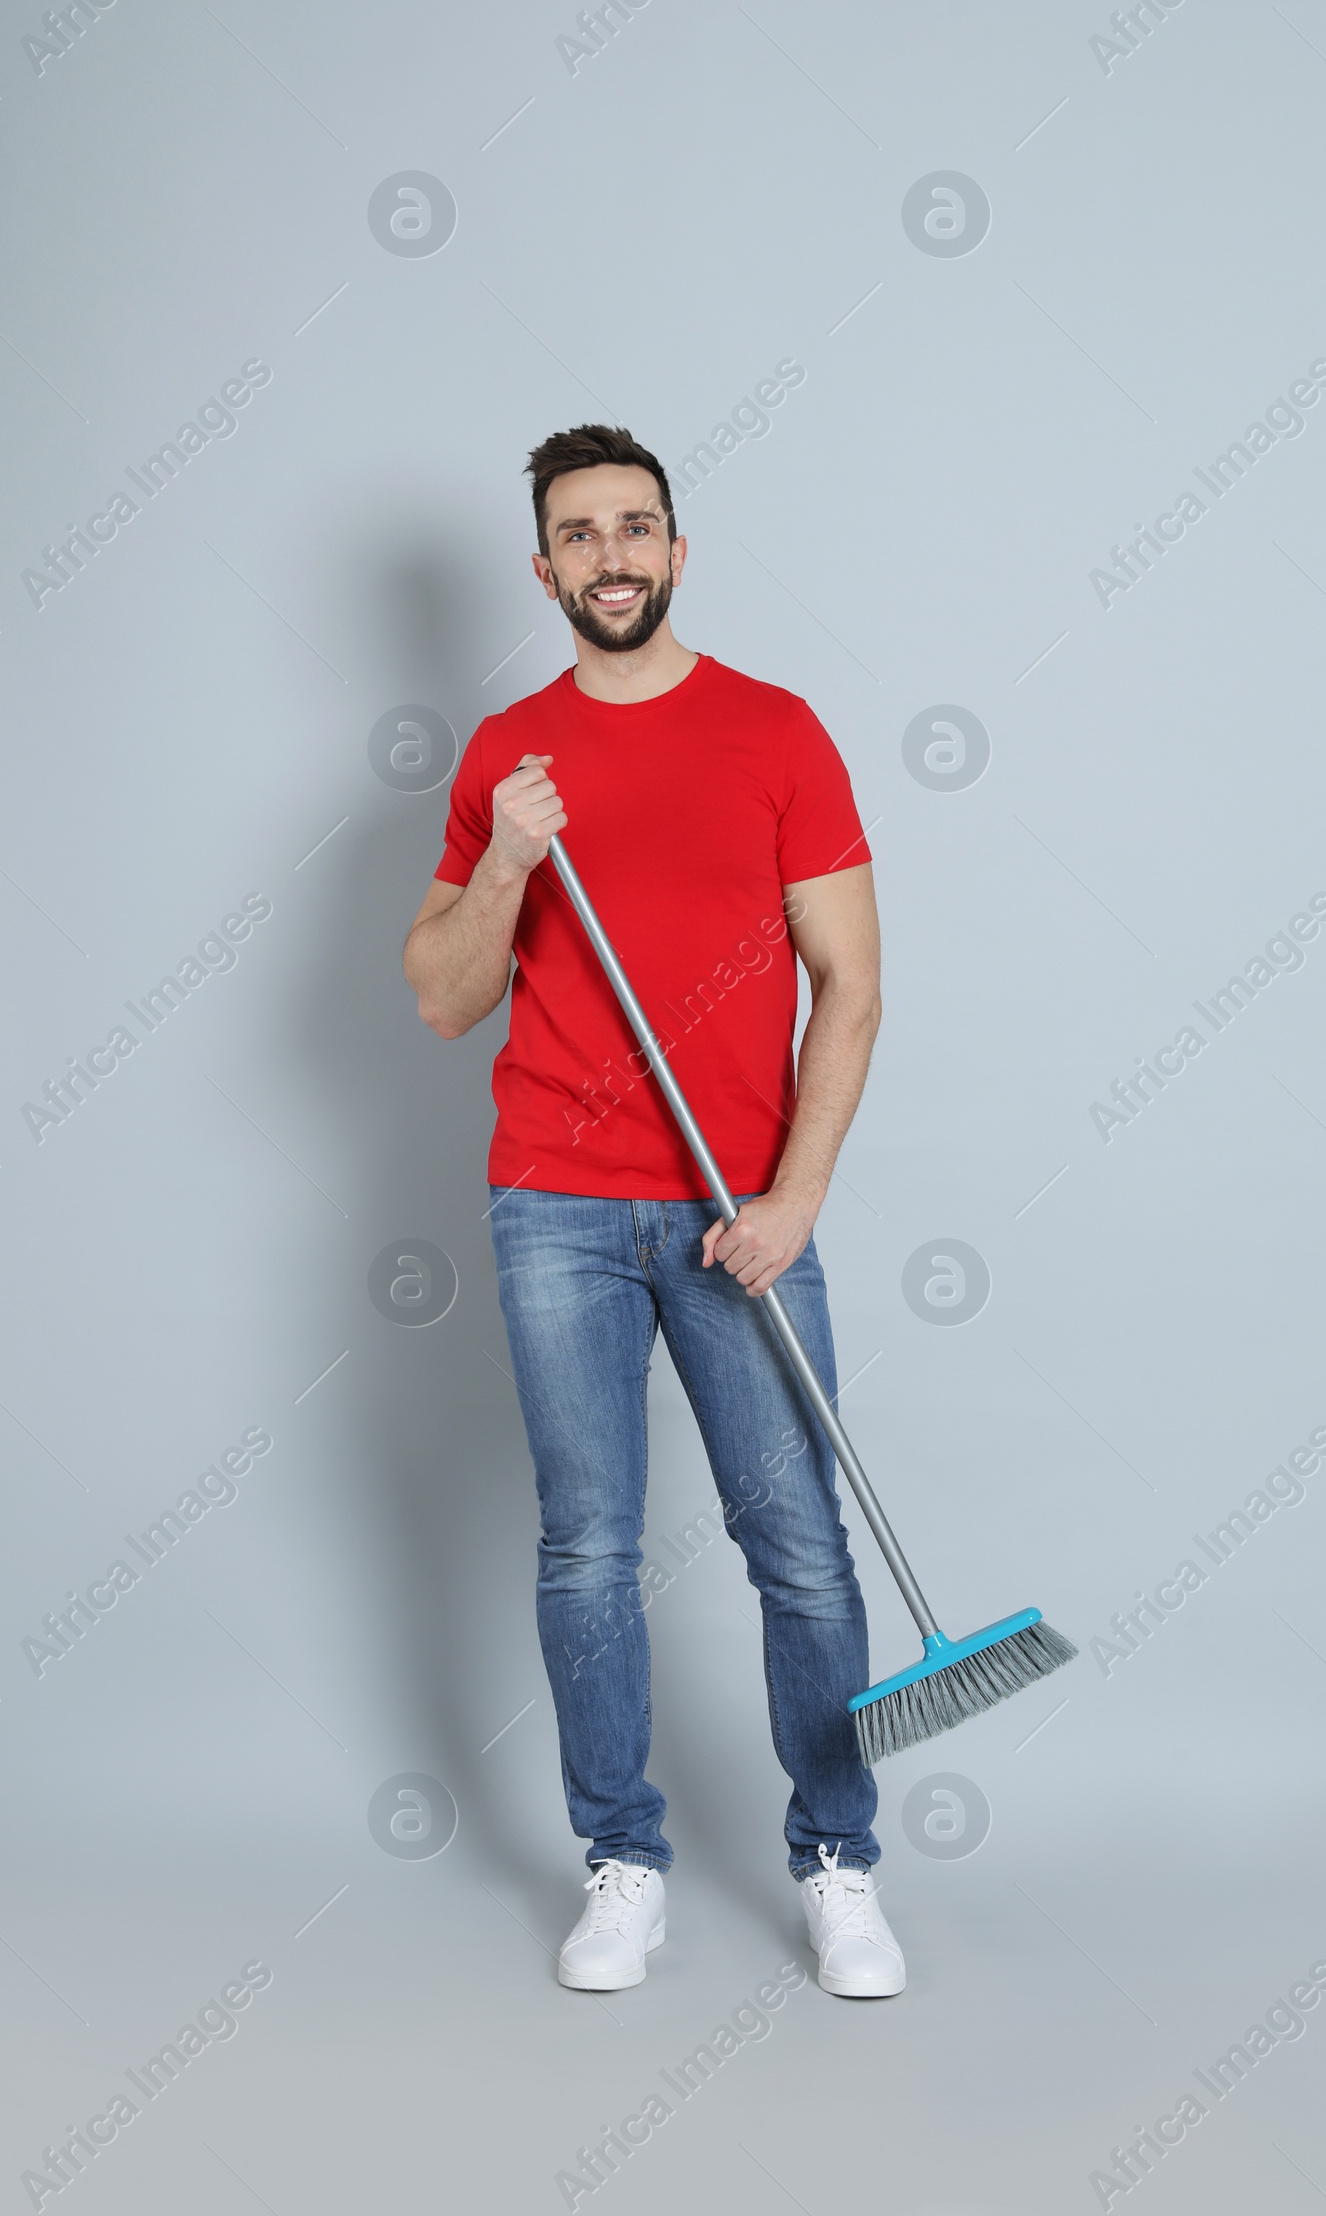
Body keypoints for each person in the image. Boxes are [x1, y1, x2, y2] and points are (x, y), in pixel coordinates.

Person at [403, 423, 904, 1998]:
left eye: (638, 527)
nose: (611, 555)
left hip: (735, 1213)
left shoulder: (777, 732)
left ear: (677, 551)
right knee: (587, 1550)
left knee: (802, 1550)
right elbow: (439, 1000)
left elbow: (855, 985)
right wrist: (508, 860)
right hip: (554, 1203)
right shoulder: (507, 756)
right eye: (579, 533)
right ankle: (622, 1859)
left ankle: (839, 1861)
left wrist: (795, 1195)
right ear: (541, 568)